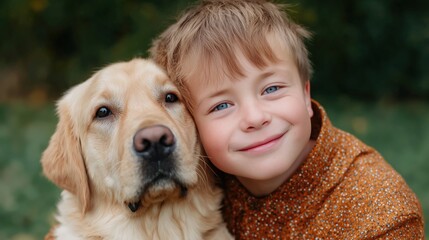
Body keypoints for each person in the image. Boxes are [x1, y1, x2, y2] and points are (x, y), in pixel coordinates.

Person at [149, 0, 424, 238]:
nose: (255, 118)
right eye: (221, 105)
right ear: (191, 125)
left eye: (271, 89)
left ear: (306, 95)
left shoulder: (380, 214)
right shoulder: (194, 185)